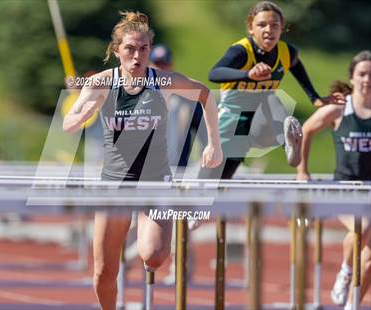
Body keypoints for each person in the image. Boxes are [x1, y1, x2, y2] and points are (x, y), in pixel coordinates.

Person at [62, 11, 223, 309]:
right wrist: (81, 115)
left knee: (155, 255)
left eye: (143, 49)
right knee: (103, 273)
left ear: (150, 49)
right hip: (114, 184)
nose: (137, 56)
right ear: (116, 51)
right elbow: (68, 125)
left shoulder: (162, 81)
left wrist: (215, 143)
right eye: (130, 49)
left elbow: (205, 95)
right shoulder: (100, 82)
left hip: (155, 181)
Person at [199, 1, 345, 181]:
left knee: (269, 98)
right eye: (261, 25)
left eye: (274, 25)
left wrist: (315, 98)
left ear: (282, 29)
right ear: (251, 28)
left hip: (262, 122)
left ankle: (289, 143)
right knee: (211, 184)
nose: (268, 29)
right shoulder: (241, 51)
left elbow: (297, 67)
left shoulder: (287, 53)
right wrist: (248, 74)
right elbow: (214, 74)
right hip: (234, 122)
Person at [296, 50, 371, 310]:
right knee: (361, 228)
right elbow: (305, 131)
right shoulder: (340, 109)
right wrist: (302, 172)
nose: (367, 80)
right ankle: (346, 269)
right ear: (352, 77)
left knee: (370, 257)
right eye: (362, 74)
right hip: (344, 188)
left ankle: (352, 305)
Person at [149, 44, 207, 172]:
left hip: (178, 171)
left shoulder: (189, 100)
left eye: (164, 63)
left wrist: (204, 161)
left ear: (171, 65)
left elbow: (205, 136)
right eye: (157, 64)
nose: (161, 68)